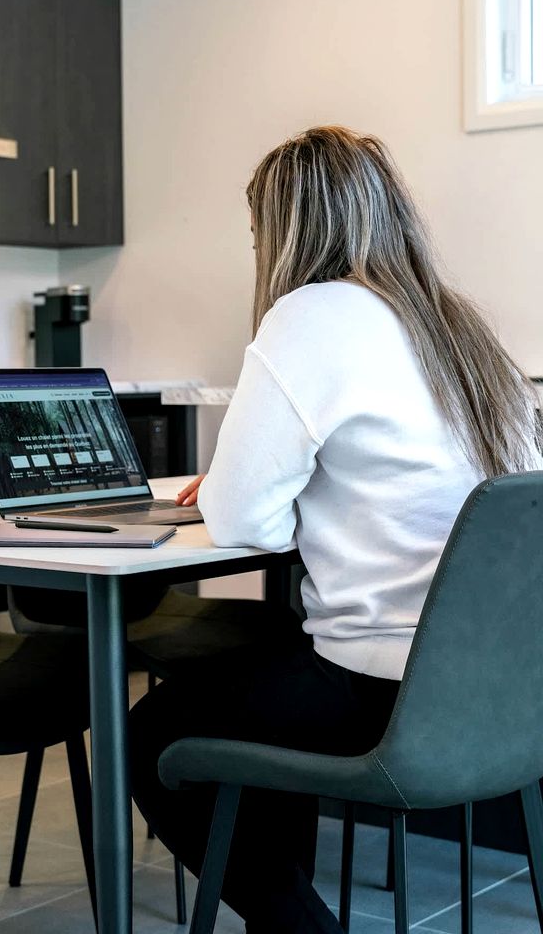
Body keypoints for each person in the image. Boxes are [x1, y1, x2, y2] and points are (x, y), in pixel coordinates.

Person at [129, 125, 542, 934]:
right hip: (503, 695)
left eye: (258, 233)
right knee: (266, 659)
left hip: (382, 694)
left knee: (154, 732)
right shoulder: (458, 327)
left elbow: (245, 517)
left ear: (287, 232)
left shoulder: (311, 315)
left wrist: (260, 482)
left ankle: (297, 924)